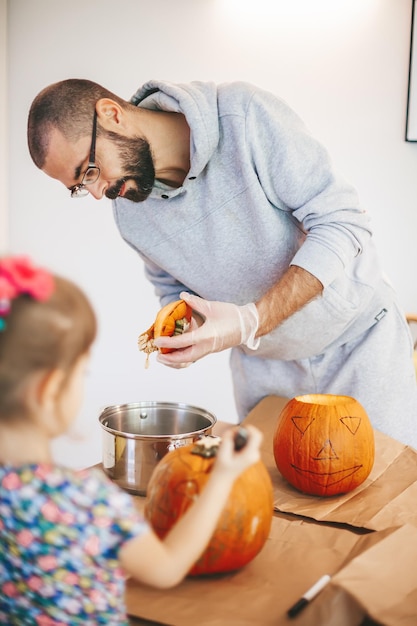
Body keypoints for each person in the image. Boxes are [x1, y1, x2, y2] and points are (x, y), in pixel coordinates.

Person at [27, 79, 417, 448]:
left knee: (388, 496)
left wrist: (252, 320)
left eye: (89, 171)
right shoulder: (130, 213)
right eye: (80, 188)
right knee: (275, 507)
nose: (98, 193)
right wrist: (188, 328)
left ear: (112, 113)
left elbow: (343, 222)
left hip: (359, 348)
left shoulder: (245, 117)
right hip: (265, 373)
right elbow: (172, 290)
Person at [0, 255, 262, 624]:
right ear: (50, 390)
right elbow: (166, 568)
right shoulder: (86, 500)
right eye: (82, 372)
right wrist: (222, 476)